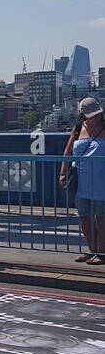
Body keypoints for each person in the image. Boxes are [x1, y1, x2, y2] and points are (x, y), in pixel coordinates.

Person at [71, 96, 105, 264]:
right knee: (84, 216)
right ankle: (91, 249)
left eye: (98, 114)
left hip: (101, 180)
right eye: (92, 114)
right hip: (80, 181)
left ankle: (102, 252)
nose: (96, 117)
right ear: (83, 116)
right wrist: (63, 173)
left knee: (102, 216)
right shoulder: (78, 128)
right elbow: (67, 151)